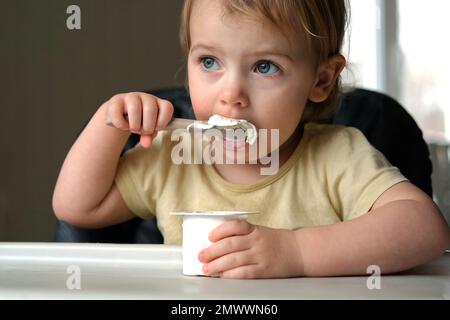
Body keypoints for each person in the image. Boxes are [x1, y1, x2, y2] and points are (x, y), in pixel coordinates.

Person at [52, 0, 450, 279]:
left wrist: (296, 254)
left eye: (264, 67)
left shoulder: (338, 157)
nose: (231, 94)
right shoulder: (173, 156)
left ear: (321, 80)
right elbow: (77, 208)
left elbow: (424, 230)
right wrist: (110, 122)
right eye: (209, 62)